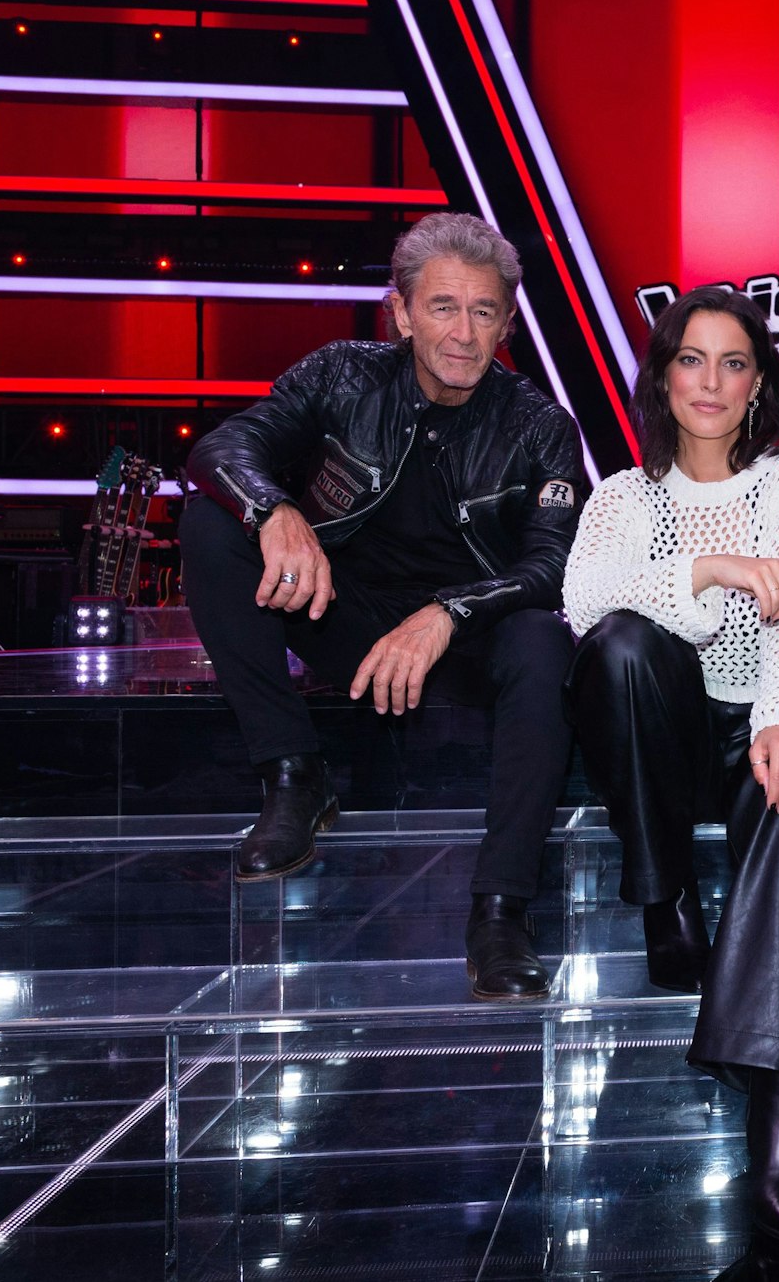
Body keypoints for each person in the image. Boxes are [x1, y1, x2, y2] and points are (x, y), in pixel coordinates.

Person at [181, 212, 582, 1002]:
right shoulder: (340, 375)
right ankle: (294, 775)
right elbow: (222, 448)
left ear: (507, 322)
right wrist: (274, 511)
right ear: (400, 312)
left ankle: (500, 913)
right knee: (213, 520)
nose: (464, 333)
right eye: (442, 307)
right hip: (349, 619)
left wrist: (449, 612)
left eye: (484, 311)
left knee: (542, 640)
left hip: (468, 640)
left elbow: (554, 564)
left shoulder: (541, 426)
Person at [563, 287, 779, 1249]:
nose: (712, 382)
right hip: (665, 739)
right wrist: (711, 568)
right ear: (662, 374)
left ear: (760, 381)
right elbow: (584, 604)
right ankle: (665, 899)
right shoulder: (623, 494)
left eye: (735, 363)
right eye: (692, 359)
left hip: (761, 717)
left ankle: (776, 1108)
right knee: (620, 645)